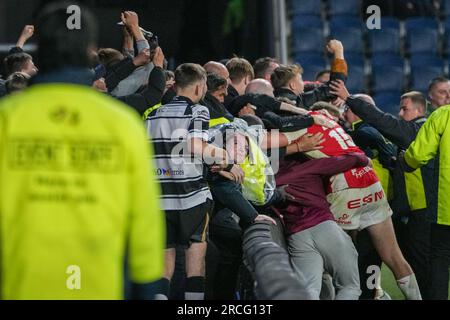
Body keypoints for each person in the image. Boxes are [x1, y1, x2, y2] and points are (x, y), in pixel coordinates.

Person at [0, 2, 164, 300]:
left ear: (40, 50)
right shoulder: (122, 125)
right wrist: (147, 289)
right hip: (100, 286)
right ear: (88, 48)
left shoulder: (7, 119)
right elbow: (144, 226)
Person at [331, 80, 433, 299]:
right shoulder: (380, 135)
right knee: (393, 257)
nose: (399, 112)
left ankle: (370, 293)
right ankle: (377, 292)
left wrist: (350, 100)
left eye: (404, 108)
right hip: (390, 206)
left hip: (373, 206)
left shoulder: (362, 134)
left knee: (366, 257)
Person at [145, 63, 239, 300]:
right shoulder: (198, 111)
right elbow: (196, 146)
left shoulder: (153, 114)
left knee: (163, 267)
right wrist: (226, 158)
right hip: (191, 198)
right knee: (195, 264)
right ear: (199, 88)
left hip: (158, 199)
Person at [275, 153, 370, 300]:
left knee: (308, 292)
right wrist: (365, 159)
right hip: (324, 228)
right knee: (349, 287)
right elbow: (345, 160)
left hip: (297, 237)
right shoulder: (307, 166)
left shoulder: (271, 181)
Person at [401, 105, 450, 300]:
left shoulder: (443, 114)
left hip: (445, 209)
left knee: (440, 260)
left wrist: (406, 160)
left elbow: (418, 155)